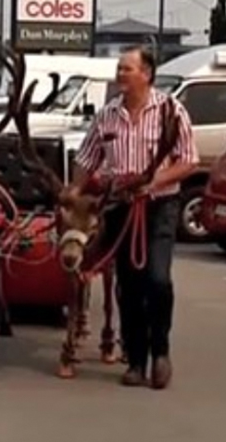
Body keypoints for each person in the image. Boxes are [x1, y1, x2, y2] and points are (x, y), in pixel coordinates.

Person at [73, 46, 197, 389]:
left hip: (159, 207)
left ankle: (161, 352)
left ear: (147, 74)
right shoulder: (107, 115)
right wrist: (73, 191)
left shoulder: (172, 111)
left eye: (127, 69)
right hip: (119, 208)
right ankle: (137, 359)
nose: (120, 74)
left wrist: (153, 182)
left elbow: (188, 160)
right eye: (119, 69)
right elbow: (87, 158)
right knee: (127, 287)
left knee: (158, 280)